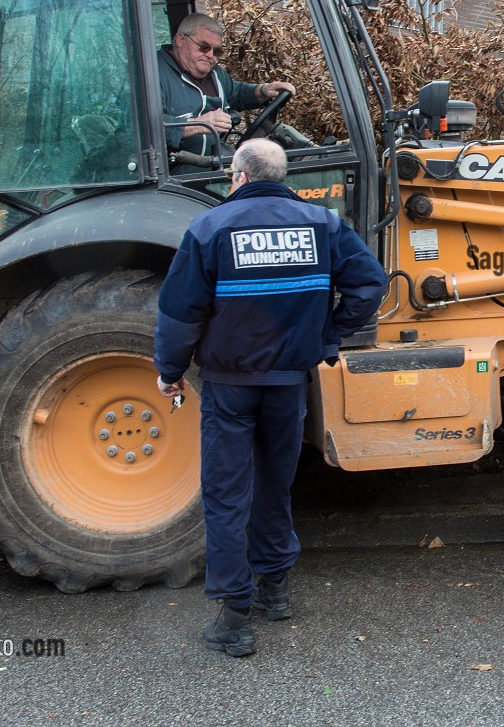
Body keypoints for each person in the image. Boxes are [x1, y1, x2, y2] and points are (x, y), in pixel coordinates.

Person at [153, 138, 386, 657]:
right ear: (283, 177)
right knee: (275, 485)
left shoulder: (210, 228)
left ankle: (235, 619)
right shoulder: (322, 224)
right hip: (288, 385)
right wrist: (327, 334)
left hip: (229, 387)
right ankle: (274, 591)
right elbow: (370, 284)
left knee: (226, 494)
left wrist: (170, 370)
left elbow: (180, 312)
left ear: (238, 176)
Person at [158, 13, 297, 157]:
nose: (210, 55)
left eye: (217, 51)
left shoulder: (215, 73)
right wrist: (200, 124)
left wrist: (263, 90)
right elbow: (151, 128)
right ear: (181, 40)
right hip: (178, 168)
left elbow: (235, 93)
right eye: (204, 47)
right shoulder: (153, 75)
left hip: (217, 164)